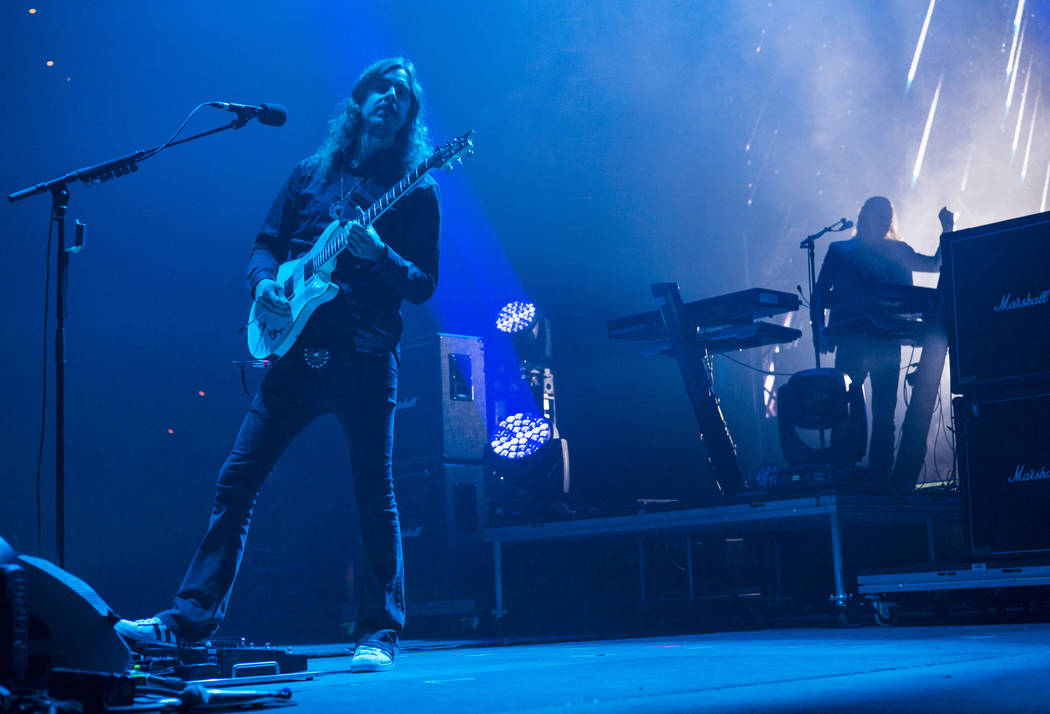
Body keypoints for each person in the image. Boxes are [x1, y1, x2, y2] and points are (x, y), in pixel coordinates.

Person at [115, 57, 441, 673]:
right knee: (236, 481)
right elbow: (266, 244)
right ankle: (188, 623)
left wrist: (379, 255)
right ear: (360, 100)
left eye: (404, 94)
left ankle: (379, 634)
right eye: (382, 88)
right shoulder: (310, 173)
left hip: (365, 358)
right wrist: (265, 282)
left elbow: (424, 284)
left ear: (408, 119)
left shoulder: (416, 188)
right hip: (293, 354)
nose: (391, 98)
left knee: (376, 498)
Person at [815, 196, 952, 486]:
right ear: (864, 217)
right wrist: (820, 331)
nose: (880, 222)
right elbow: (819, 295)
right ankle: (842, 474)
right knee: (844, 411)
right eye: (875, 216)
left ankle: (880, 480)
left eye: (885, 217)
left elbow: (935, 263)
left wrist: (947, 229)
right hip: (851, 341)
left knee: (884, 415)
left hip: (886, 342)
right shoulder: (840, 251)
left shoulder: (897, 250)